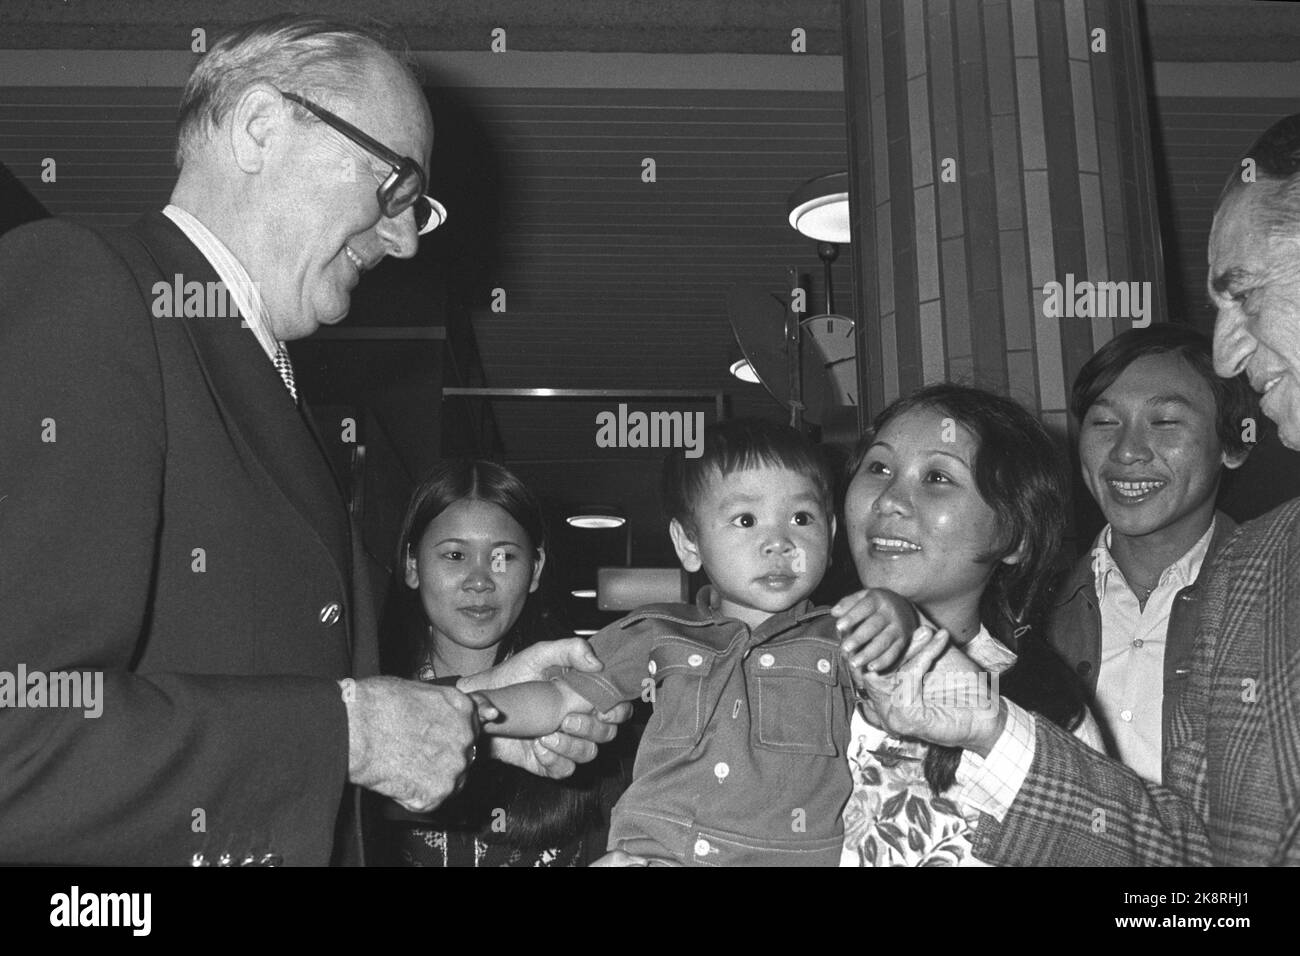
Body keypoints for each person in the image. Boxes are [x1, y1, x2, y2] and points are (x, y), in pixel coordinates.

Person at [0, 15, 623, 866]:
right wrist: (351, 732)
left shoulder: (243, 368)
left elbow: (241, 692)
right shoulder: (90, 289)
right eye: (394, 185)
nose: (404, 239)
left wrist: (465, 711)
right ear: (261, 127)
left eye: (418, 209)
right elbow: (21, 728)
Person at [856, 113, 1300, 865]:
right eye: (1102, 422)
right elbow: (1201, 895)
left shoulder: (1234, 583)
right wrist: (996, 735)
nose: (1228, 353)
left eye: (1246, 293)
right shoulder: (1252, 582)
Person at [472, 418, 920, 866]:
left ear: (833, 531)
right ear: (689, 542)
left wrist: (902, 614)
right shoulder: (658, 634)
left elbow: (917, 691)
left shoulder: (845, 636)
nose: (780, 542)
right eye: (746, 519)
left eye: (802, 518)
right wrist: (471, 708)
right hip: (663, 853)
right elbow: (560, 698)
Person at [832, 384, 1103, 866]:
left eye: (937, 477)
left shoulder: (1047, 713)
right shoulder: (796, 662)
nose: (890, 500)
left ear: (1014, 536)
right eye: (878, 468)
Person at [379, 460, 625, 866]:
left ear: (535, 569)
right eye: (455, 555)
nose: (480, 580)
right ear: (412, 565)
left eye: (504, 557)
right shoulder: (360, 695)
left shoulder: (578, 710)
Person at [1048, 326, 1255, 782]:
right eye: (1104, 422)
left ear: (1232, 446)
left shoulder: (1276, 597)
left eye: (1164, 422)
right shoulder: (1031, 606)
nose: (1127, 451)